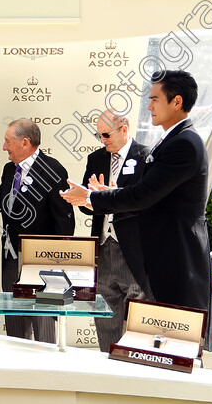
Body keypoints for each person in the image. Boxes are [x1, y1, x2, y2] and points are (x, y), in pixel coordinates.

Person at [61, 70, 212, 351]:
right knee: (157, 348)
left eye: (154, 99)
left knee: (172, 350)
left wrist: (93, 199)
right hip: (163, 259)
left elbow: (144, 195)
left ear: (176, 101)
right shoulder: (174, 140)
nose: (149, 106)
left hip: (176, 261)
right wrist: (104, 195)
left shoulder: (183, 143)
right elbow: (149, 193)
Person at [78, 110, 152, 352]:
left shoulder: (146, 156)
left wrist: (110, 197)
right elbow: (90, 206)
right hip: (103, 244)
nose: (103, 140)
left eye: (107, 134)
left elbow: (146, 204)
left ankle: (137, 360)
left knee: (138, 305)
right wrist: (86, 200)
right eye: (99, 135)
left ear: (124, 129)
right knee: (105, 307)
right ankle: (105, 359)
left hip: (133, 246)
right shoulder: (96, 158)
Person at [0, 118, 74, 343]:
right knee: (14, 320)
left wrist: (59, 262)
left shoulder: (53, 169)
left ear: (25, 142)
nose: (4, 147)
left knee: (44, 321)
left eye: (8, 142)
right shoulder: (9, 169)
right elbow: (0, 203)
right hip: (11, 257)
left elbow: (64, 221)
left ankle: (47, 372)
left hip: (43, 262)